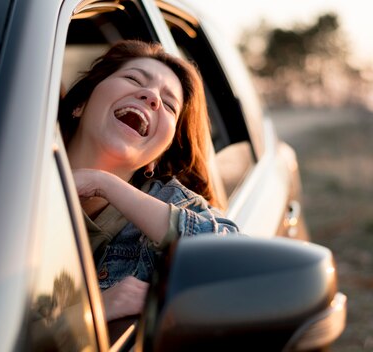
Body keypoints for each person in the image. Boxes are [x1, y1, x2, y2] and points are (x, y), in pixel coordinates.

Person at [58, 40, 238, 321]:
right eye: (132, 78)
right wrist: (86, 314)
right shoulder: (0, 172)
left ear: (157, 154)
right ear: (81, 103)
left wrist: (105, 184)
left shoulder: (171, 205)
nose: (151, 97)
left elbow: (239, 263)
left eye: (168, 105)